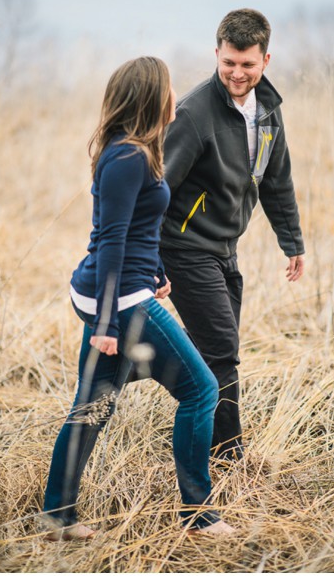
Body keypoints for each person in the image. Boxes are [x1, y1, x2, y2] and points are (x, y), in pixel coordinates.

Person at [42, 57, 235, 540]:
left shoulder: (135, 153)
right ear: (153, 97)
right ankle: (199, 514)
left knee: (94, 404)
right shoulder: (128, 158)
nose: (177, 96)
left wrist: (158, 268)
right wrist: (107, 324)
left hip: (126, 287)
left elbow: (137, 228)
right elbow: (110, 240)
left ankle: (57, 516)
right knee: (202, 390)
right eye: (169, 88)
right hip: (120, 300)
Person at [159, 9, 305, 461]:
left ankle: (143, 359)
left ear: (266, 59)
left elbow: (276, 180)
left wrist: (292, 242)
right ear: (216, 54)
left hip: (226, 248)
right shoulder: (194, 113)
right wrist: (147, 258)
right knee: (222, 349)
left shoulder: (268, 114)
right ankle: (227, 451)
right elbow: (159, 187)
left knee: (211, 348)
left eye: (247, 64)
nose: (237, 74)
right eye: (228, 63)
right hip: (185, 248)